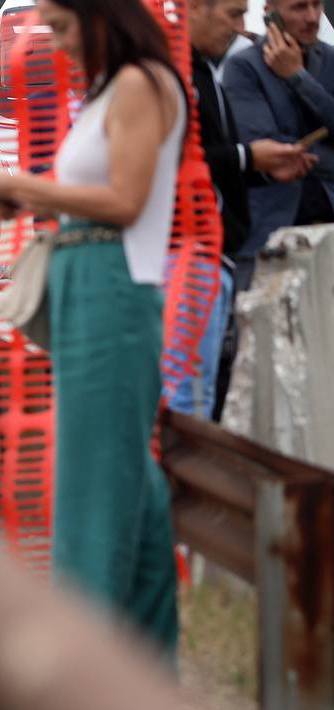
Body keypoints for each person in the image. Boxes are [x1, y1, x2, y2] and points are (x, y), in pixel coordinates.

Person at [0, 0, 186, 655]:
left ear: (99, 16)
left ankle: (92, 663)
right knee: (120, 479)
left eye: (60, 26)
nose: (53, 42)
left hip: (109, 281)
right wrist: (25, 193)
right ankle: (138, 662)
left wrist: (25, 185)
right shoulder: (116, 88)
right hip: (95, 278)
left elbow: (126, 202)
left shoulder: (137, 83)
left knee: (96, 482)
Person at [177, 0, 316, 416]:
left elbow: (225, 158)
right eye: (234, 15)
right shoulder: (175, 76)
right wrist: (249, 158)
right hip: (191, 256)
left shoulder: (205, 76)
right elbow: (185, 163)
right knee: (193, 396)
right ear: (194, 9)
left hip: (213, 253)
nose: (241, 28)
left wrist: (266, 168)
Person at [223, 0, 334, 287]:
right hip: (271, 233)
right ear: (270, 13)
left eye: (316, 5)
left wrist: (298, 78)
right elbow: (267, 148)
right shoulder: (244, 67)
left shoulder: (331, 59)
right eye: (299, 8)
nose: (312, 17)